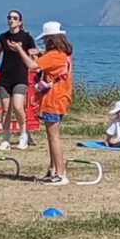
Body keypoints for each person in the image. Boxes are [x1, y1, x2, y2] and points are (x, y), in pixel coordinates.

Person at [0, 10, 40, 150]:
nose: (11, 20)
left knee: (18, 107)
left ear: (20, 22)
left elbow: (34, 57)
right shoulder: (3, 37)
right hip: (5, 77)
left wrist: (37, 67)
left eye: (15, 18)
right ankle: (5, 139)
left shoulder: (27, 38)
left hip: (20, 76)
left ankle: (23, 135)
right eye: (9, 18)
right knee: (5, 109)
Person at [33, 22, 75, 184]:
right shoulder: (63, 54)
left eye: (45, 39)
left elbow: (33, 65)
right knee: (53, 137)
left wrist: (21, 51)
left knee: (53, 138)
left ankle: (60, 173)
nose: (44, 42)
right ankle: (53, 169)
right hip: (61, 98)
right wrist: (39, 54)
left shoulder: (53, 56)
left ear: (50, 39)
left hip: (53, 100)